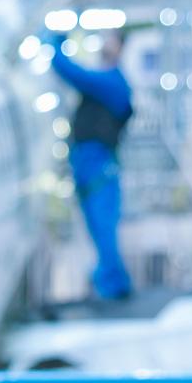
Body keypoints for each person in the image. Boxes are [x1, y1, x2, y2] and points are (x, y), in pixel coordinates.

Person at [47, 28, 134, 301]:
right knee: (97, 229)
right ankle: (109, 282)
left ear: (119, 47)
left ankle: (114, 286)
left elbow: (71, 72)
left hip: (99, 166)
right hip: (89, 164)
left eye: (109, 38)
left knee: (103, 227)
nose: (104, 42)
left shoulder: (113, 83)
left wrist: (55, 42)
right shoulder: (109, 81)